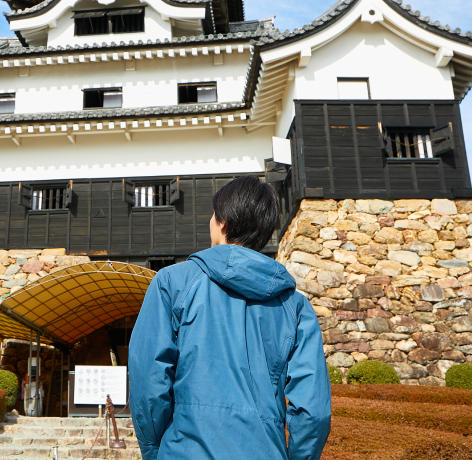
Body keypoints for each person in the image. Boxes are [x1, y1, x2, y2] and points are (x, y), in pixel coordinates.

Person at [129, 176, 331, 460]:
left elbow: (149, 381)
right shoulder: (294, 306)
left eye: (213, 214)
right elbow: (313, 411)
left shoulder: (171, 283)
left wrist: (155, 451)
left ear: (222, 221)